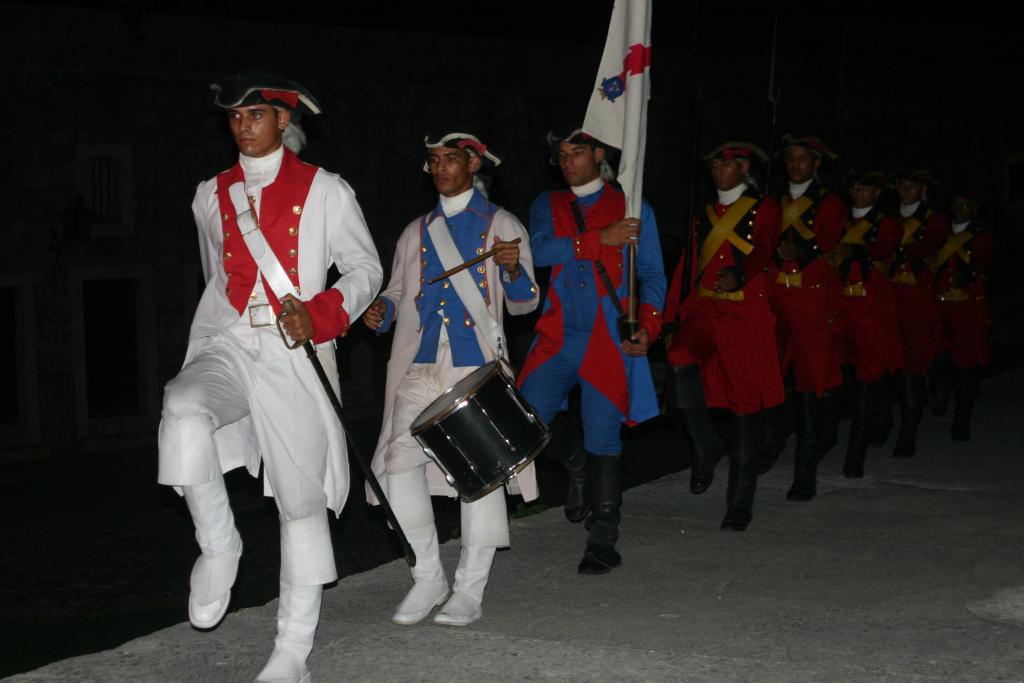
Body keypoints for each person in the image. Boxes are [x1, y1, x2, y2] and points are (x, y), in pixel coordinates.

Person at [157, 74, 382, 683]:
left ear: (283, 121)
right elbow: (217, 276)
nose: (242, 125)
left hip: (294, 349)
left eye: (255, 114)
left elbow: (366, 269)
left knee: (301, 499)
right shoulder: (211, 194)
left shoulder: (326, 189)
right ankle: (219, 544)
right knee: (181, 408)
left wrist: (323, 313)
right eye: (234, 116)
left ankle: (292, 650)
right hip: (231, 340)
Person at [364, 131, 539, 627]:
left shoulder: (501, 223)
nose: (440, 168)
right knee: (397, 464)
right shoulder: (414, 230)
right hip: (420, 363)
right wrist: (384, 309)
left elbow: (527, 300)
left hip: (473, 365)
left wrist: (511, 271)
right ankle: (427, 577)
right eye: (434, 161)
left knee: (479, 476)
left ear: (473, 165)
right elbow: (399, 291)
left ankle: (469, 590)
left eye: (449, 160)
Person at [517, 128, 665, 574]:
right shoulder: (550, 204)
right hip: (559, 335)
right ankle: (574, 464)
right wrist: (601, 238)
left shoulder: (634, 208)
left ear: (599, 155)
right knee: (525, 421)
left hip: (607, 338)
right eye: (561, 154)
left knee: (604, 434)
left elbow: (654, 277)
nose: (567, 162)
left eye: (577, 152)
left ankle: (603, 535)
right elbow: (538, 251)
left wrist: (651, 327)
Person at [663, 142, 784, 532]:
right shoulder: (703, 211)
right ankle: (705, 443)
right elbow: (689, 263)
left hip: (743, 312)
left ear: (744, 167)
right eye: (714, 163)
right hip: (703, 309)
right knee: (679, 356)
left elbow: (764, 244)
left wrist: (742, 272)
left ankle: (740, 499)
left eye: (726, 164)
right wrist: (668, 319)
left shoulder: (763, 207)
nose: (718, 169)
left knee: (745, 405)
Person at [765, 135, 846, 501]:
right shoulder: (775, 202)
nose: (796, 164)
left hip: (812, 299)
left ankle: (805, 469)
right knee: (769, 371)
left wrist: (800, 249)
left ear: (816, 164)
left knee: (810, 380)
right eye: (791, 158)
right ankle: (770, 442)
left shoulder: (829, 203)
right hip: (777, 295)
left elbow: (828, 240)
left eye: (803, 159)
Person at [832, 171, 902, 478]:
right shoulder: (838, 220)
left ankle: (854, 457)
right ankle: (878, 412)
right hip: (840, 307)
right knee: (842, 376)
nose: (860, 192)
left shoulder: (886, 223)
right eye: (856, 186)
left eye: (867, 188)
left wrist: (858, 250)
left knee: (867, 378)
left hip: (872, 309)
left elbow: (885, 248)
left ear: (877, 194)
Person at [883, 169, 949, 457]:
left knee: (913, 366)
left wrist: (901, 253)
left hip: (919, 302)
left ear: (923, 190)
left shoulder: (934, 221)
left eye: (913, 186)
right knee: (886, 364)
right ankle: (883, 422)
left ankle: (907, 434)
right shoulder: (888, 219)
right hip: (889, 300)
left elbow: (930, 243)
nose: (906, 190)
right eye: (902, 184)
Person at [930, 190, 993, 440]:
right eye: (956, 204)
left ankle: (961, 420)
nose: (959, 209)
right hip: (938, 305)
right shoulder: (940, 234)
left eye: (966, 205)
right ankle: (940, 389)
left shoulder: (980, 237)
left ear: (974, 209)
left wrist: (966, 274)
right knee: (936, 356)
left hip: (966, 308)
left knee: (965, 364)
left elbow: (980, 261)